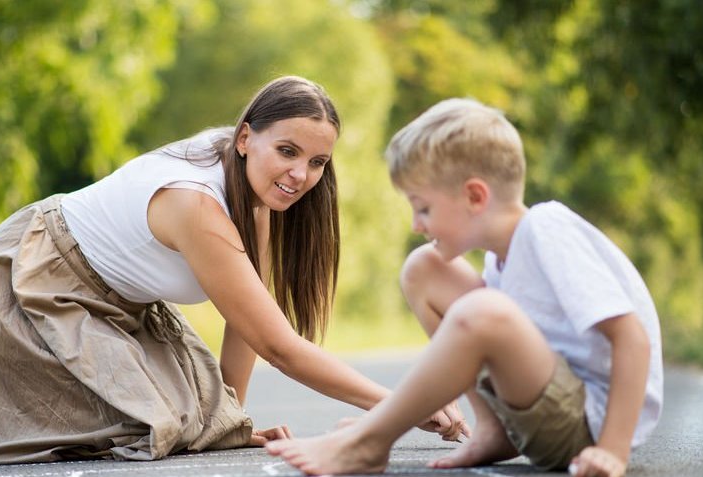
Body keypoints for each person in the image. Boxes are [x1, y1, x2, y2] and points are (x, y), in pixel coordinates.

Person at [0, 76, 469, 465]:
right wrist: (400, 404)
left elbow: (251, 323)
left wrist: (233, 423)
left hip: (118, 308)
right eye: (288, 151)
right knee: (158, 428)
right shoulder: (198, 204)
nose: (301, 175)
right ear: (246, 137)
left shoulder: (256, 193)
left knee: (199, 422)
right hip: (37, 281)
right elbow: (281, 347)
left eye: (317, 162)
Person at [266, 98, 663, 477]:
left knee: (484, 313)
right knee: (423, 268)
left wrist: (612, 449)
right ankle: (494, 432)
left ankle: (369, 443)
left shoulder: (546, 229)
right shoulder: (500, 258)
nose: (416, 224)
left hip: (587, 425)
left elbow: (632, 337)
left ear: (475, 196)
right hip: (543, 408)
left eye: (423, 208)